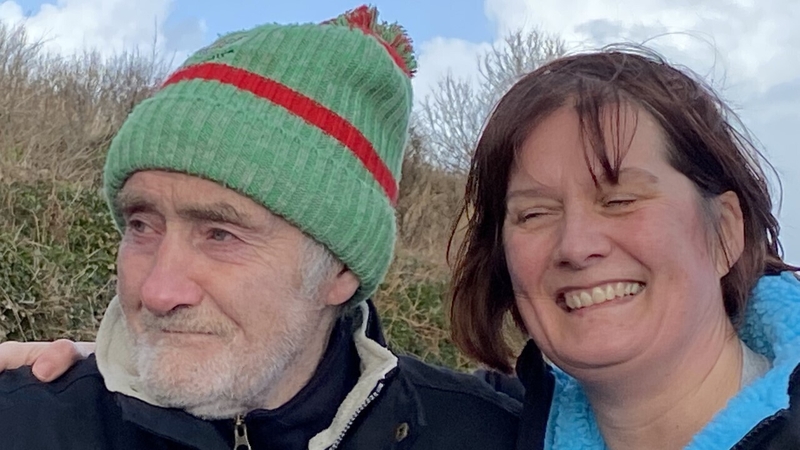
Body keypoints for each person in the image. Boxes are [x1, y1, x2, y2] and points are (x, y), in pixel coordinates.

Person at [0, 6, 522, 449]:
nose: (158, 291)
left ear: (339, 268)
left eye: (220, 234)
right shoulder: (27, 423)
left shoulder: (493, 432)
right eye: (142, 225)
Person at [448, 47, 800, 449]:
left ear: (724, 231)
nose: (576, 246)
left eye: (620, 201)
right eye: (534, 214)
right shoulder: (465, 429)